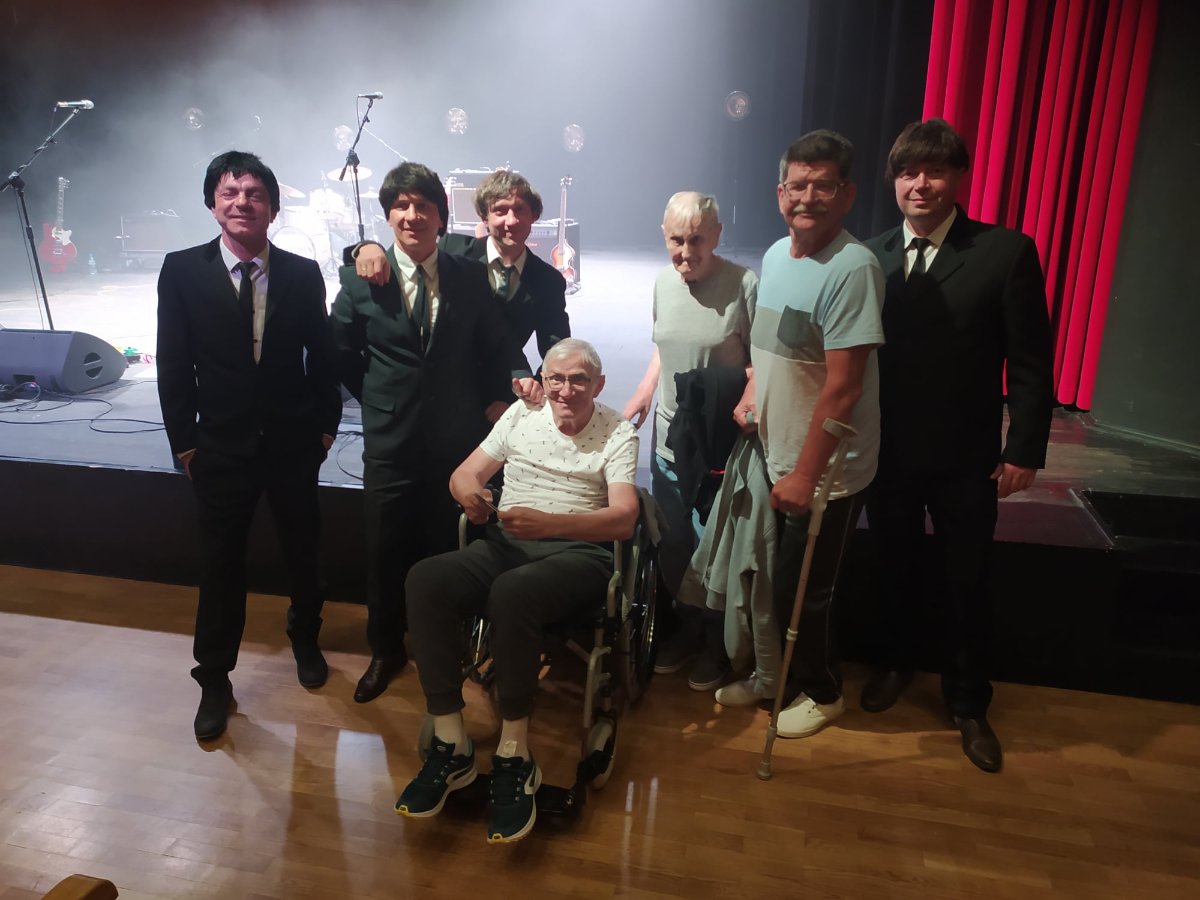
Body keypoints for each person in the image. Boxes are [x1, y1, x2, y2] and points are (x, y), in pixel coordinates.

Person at [861, 118, 1053, 772]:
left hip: (965, 457)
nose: (920, 184)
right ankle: (894, 664)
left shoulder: (1005, 252)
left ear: (959, 178)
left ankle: (968, 701)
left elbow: (1030, 361)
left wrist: (1023, 448)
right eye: (907, 172)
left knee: (966, 579)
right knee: (891, 565)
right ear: (894, 182)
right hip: (885, 451)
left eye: (935, 170)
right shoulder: (869, 257)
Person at [396, 338, 639, 844]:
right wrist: (471, 496)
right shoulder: (520, 416)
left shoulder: (617, 431)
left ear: (597, 384)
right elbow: (465, 473)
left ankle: (515, 752)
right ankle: (451, 742)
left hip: (579, 555)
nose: (565, 390)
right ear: (543, 381)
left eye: (578, 380)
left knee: (512, 592)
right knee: (425, 579)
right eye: (556, 378)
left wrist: (550, 525)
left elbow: (623, 519)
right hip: (507, 544)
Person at [330, 162, 536, 704]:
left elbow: (497, 343)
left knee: (447, 550)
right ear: (387, 215)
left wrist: (520, 378)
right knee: (384, 550)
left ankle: (444, 648)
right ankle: (385, 650)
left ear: (442, 217)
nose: (412, 215)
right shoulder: (360, 278)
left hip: (454, 442)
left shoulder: (468, 275)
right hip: (390, 442)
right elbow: (341, 352)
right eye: (401, 205)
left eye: (423, 205)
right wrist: (379, 397)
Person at [156, 150, 342, 741]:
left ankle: (306, 638)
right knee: (220, 567)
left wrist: (326, 425)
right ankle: (214, 679)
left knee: (303, 552)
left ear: (273, 207)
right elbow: (172, 363)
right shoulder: (181, 271)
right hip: (219, 447)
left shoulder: (302, 273)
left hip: (293, 442)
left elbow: (323, 358)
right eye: (230, 193)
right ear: (213, 204)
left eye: (255, 194)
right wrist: (185, 443)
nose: (243, 203)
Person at [732, 130, 884, 736]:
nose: (809, 197)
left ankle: (823, 692)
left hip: (823, 471)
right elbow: (771, 349)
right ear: (780, 193)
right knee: (775, 579)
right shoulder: (775, 257)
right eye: (798, 185)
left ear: (847, 195)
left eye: (824, 186)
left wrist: (805, 474)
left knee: (806, 591)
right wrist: (752, 394)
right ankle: (778, 677)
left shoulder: (853, 269)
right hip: (777, 452)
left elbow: (844, 388)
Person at [622, 191, 757, 691]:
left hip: (716, 445)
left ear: (717, 235)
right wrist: (643, 392)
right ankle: (686, 628)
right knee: (674, 542)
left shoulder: (743, 284)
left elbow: (761, 360)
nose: (685, 252)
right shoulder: (663, 282)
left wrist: (748, 401)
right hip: (668, 441)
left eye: (697, 239)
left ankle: (718, 643)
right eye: (676, 240)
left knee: (713, 546)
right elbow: (664, 347)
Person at [351, 168, 569, 419]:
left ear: (534, 215)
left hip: (503, 400)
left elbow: (557, 351)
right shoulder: (450, 248)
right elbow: (407, 250)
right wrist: (365, 247)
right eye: (500, 211)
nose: (511, 221)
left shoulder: (548, 281)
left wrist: (524, 397)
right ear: (484, 216)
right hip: (439, 397)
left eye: (519, 209)